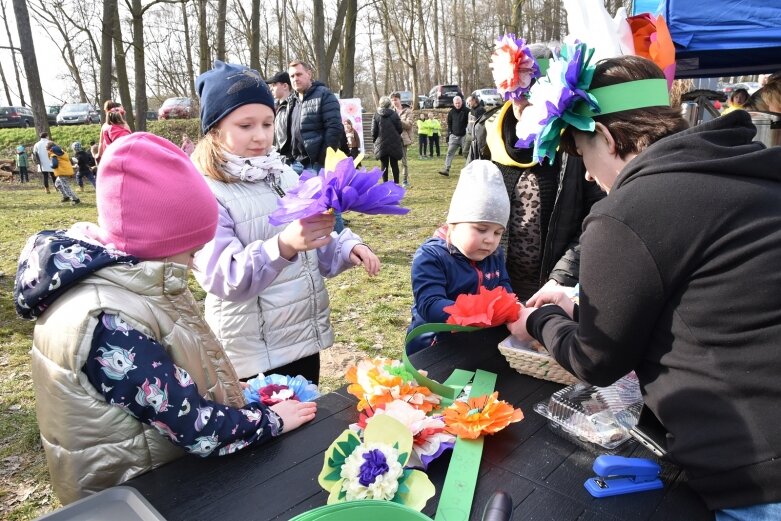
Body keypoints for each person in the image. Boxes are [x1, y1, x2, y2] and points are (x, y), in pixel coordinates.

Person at [514, 55, 781, 519]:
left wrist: (540, 319)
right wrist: (577, 306)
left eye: (583, 156)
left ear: (606, 138)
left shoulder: (630, 210)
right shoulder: (746, 171)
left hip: (755, 464)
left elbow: (596, 360)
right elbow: (699, 301)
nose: (592, 178)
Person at [13, 132, 318, 505]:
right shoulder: (108, 323)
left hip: (155, 481)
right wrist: (272, 420)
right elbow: (194, 427)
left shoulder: (129, 283)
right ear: (156, 242)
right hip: (137, 498)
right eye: (190, 252)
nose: (194, 263)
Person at [191, 61, 380, 384]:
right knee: (273, 433)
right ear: (215, 129)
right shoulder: (206, 191)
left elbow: (312, 245)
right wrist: (284, 245)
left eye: (267, 123)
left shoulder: (283, 173)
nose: (261, 136)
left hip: (301, 341)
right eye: (246, 126)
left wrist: (346, 247)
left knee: (308, 428)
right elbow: (224, 278)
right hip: (252, 355)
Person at [470, 40, 604, 300]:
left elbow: (596, 217)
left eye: (531, 93)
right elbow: (469, 206)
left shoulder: (578, 141)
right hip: (493, 284)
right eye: (516, 92)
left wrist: (560, 278)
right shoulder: (488, 133)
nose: (521, 103)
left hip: (555, 288)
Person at [407, 160, 514, 354]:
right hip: (433, 347)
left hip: (475, 344)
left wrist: (512, 309)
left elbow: (504, 289)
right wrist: (480, 312)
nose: (490, 240)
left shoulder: (494, 255)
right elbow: (430, 304)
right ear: (454, 223)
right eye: (481, 229)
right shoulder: (431, 256)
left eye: (498, 233)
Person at [285, 60, 346, 231]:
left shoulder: (324, 95)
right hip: (296, 163)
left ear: (309, 74)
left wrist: (322, 159)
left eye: (298, 74)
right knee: (305, 207)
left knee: (328, 205)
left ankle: (340, 243)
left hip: (316, 163)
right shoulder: (292, 100)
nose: (295, 79)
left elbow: (334, 128)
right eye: (292, 76)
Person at [371, 96, 404, 184]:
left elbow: (373, 131)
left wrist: (375, 140)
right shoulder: (394, 114)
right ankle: (396, 184)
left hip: (381, 144)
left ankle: (385, 183)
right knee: (394, 164)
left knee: (384, 165)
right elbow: (400, 128)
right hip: (394, 142)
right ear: (390, 104)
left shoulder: (376, 115)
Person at [439, 96, 469, 176]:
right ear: (454, 103)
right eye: (456, 103)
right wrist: (449, 134)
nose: (458, 105)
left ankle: (470, 169)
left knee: (467, 153)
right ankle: (446, 169)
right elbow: (449, 124)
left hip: (464, 136)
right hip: (454, 136)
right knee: (449, 153)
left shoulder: (467, 111)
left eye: (459, 103)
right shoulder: (451, 112)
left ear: (461, 102)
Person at [391, 92, 415, 188]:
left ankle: (405, 180)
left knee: (403, 161)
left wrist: (398, 120)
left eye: (396, 100)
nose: (394, 102)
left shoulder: (407, 111)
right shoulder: (390, 112)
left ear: (399, 100)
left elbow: (409, 125)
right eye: (392, 100)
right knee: (393, 161)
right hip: (392, 139)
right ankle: (395, 180)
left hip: (403, 139)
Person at [266, 70, 292, 158]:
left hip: (292, 159)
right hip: (278, 156)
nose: (271, 88)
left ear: (285, 86)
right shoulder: (274, 108)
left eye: (274, 85)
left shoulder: (295, 106)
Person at [463, 96, 485, 164]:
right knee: (465, 151)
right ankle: (471, 164)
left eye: (469, 101)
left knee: (476, 153)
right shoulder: (471, 109)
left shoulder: (481, 110)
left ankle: (473, 165)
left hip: (476, 135)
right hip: (469, 133)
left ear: (474, 101)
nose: (468, 103)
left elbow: (482, 123)